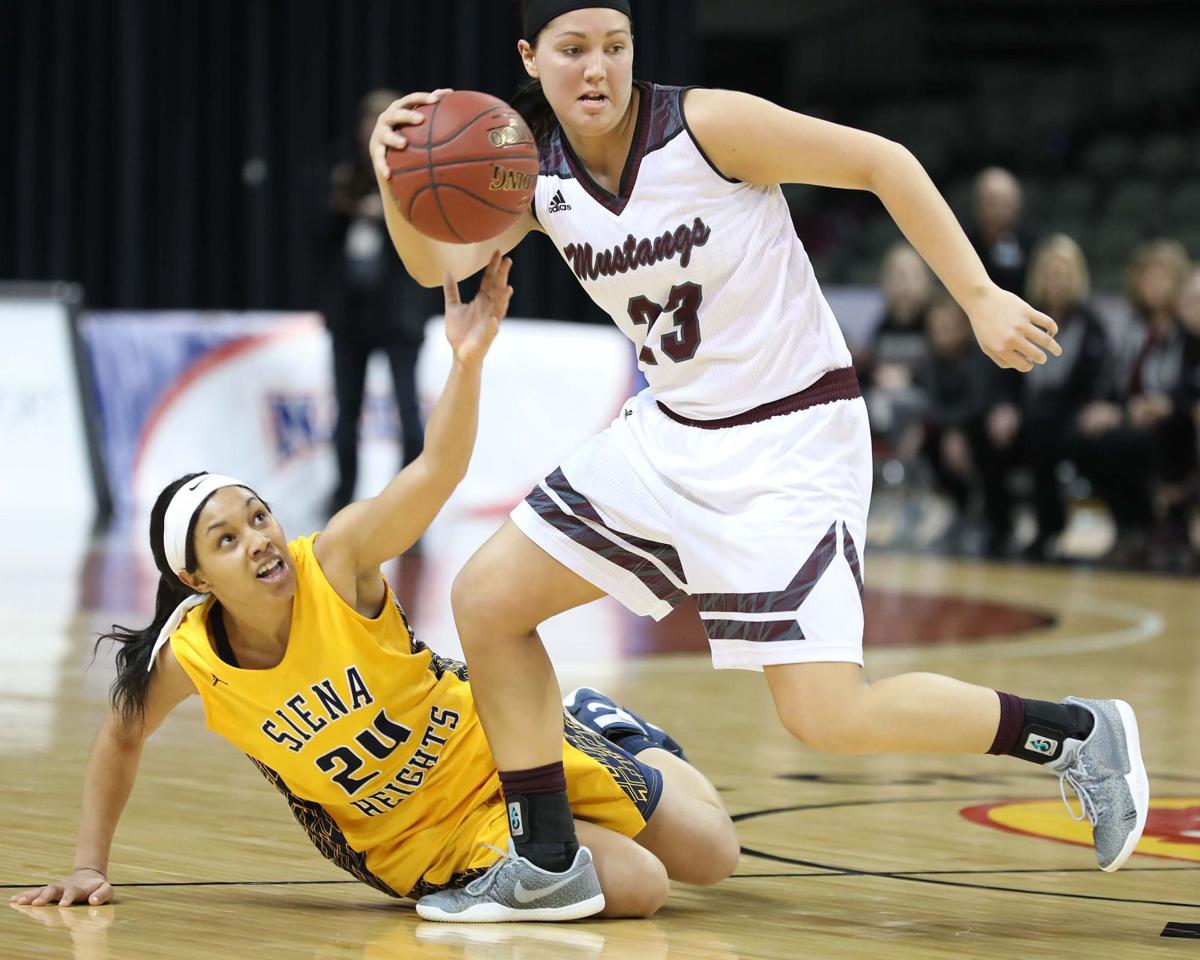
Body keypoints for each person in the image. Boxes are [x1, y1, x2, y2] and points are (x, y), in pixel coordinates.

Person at [369, 0, 1148, 921]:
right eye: (573, 51)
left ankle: (1074, 733)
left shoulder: (706, 127)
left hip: (788, 439)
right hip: (672, 432)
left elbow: (880, 161)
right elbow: (436, 264)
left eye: (614, 47)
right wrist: (397, 172)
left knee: (826, 716)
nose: (597, 70)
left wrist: (977, 296)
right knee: (486, 602)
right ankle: (548, 861)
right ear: (530, 59)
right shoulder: (528, 169)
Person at [10, 254, 739, 921]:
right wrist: (87, 865)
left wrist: (467, 362)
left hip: (492, 748)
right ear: (194, 579)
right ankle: (496, 883)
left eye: (258, 516)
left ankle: (612, 731)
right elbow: (120, 737)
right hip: (406, 841)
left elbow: (435, 473)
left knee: (714, 856)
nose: (258, 539)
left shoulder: (335, 560)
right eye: (227, 540)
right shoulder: (192, 658)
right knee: (642, 888)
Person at [322, 89, 441, 516]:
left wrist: (388, 209)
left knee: (408, 412)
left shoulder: (419, 176)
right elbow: (316, 239)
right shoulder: (344, 172)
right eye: (370, 121)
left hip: (399, 314)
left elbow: (431, 242)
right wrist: (347, 206)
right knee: (345, 411)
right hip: (350, 315)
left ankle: (408, 507)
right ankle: (342, 499)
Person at [976, 235, 1110, 560]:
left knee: (1042, 429)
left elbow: (1095, 384)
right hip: (1027, 413)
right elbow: (1004, 371)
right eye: (1049, 270)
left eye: (1063, 270)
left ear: (1077, 275)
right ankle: (997, 525)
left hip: (1069, 416)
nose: (1056, 278)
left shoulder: (1091, 324)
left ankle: (1050, 527)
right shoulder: (1024, 318)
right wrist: (1003, 407)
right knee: (979, 428)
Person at [1072, 239, 1195, 568]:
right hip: (1132, 414)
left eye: (1162, 277)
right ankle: (1131, 525)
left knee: (1144, 439)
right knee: (1085, 439)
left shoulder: (1188, 328)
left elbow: (1190, 383)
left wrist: (1165, 403)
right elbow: (1115, 381)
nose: (1153, 285)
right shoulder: (1133, 328)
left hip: (1172, 418)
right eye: (1147, 277)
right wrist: (1107, 407)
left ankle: (1169, 526)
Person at [967, 167, 1038, 296]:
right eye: (993, 202)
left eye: (1005, 202)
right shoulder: (964, 242)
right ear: (978, 204)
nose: (999, 209)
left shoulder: (1033, 244)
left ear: (1017, 204)